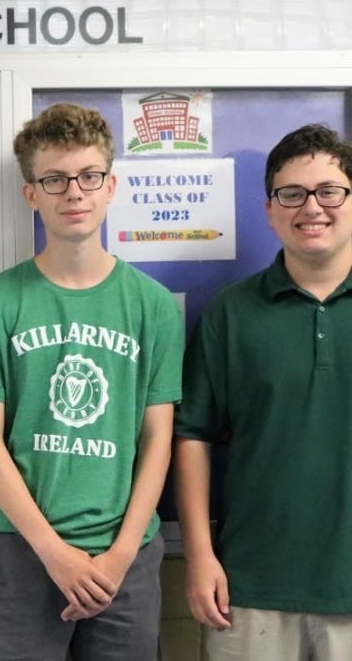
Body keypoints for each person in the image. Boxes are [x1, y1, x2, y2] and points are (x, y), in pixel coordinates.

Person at [0, 103, 183, 660]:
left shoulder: (152, 306)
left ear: (111, 186)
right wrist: (52, 551)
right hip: (21, 546)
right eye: (54, 180)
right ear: (31, 193)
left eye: (87, 177)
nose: (73, 194)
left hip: (123, 551)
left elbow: (157, 439)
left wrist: (121, 552)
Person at [175, 123, 352, 660]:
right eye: (291, 194)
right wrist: (199, 555)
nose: (312, 208)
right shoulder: (230, 314)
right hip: (248, 588)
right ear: (270, 210)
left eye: (330, 191)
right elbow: (192, 437)